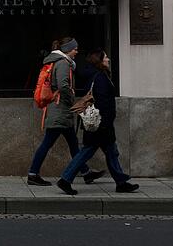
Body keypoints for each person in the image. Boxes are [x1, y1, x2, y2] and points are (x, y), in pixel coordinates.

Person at [55, 49, 139, 195]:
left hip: (100, 123)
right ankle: (65, 179)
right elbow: (103, 102)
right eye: (105, 57)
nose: (108, 60)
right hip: (101, 124)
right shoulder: (100, 77)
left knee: (111, 152)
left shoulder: (97, 76)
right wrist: (106, 122)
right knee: (88, 152)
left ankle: (121, 182)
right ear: (99, 61)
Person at [27, 37, 105, 186]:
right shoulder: (63, 63)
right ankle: (33, 173)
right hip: (60, 110)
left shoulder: (59, 62)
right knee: (48, 143)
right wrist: (72, 101)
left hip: (60, 110)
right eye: (75, 49)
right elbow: (63, 85)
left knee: (73, 143)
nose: (77, 51)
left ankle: (86, 173)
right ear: (68, 49)